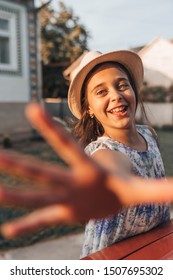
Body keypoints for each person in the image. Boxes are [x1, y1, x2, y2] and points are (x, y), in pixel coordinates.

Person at [0, 50, 173, 258]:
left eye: (122, 85)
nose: (116, 95)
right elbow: (111, 169)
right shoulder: (105, 152)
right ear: (89, 108)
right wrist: (112, 184)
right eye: (101, 92)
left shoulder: (148, 134)